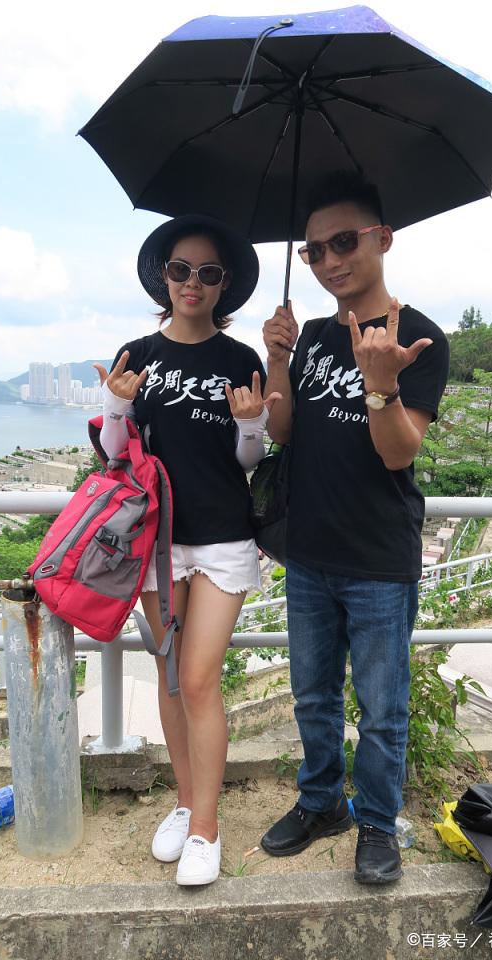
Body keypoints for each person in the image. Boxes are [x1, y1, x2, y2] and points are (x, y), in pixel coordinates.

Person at [260, 173, 450, 883]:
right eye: (313, 250)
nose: (329, 260)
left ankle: (376, 821)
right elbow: (282, 431)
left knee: (382, 709)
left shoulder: (420, 337)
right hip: (308, 551)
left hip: (377, 558)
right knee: (312, 696)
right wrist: (278, 359)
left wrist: (381, 384)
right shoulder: (312, 336)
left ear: (383, 239)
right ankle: (321, 803)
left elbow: (399, 452)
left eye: (344, 241)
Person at [94, 214, 279, 886]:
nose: (191, 282)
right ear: (163, 277)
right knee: (171, 676)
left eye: (207, 272)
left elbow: (247, 461)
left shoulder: (240, 360)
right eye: (180, 269)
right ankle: (183, 800)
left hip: (224, 537)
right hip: (159, 539)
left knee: (199, 679)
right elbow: (115, 454)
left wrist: (250, 425)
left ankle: (206, 826)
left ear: (224, 285)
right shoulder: (137, 354)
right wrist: (117, 406)